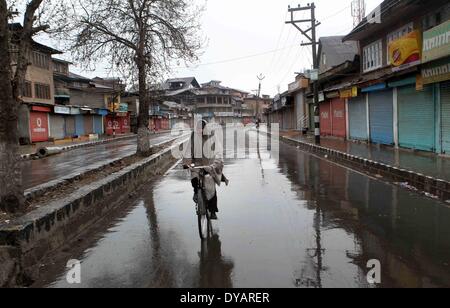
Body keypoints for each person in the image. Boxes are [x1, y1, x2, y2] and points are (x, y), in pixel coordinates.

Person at [184, 119, 229, 220]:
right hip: (197, 164)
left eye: (202, 128)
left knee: (211, 188)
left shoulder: (212, 136)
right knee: (194, 177)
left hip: (209, 164)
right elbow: (188, 150)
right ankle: (196, 192)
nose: (200, 130)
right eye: (198, 128)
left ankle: (213, 211)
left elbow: (218, 149)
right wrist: (187, 162)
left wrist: (217, 161)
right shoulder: (193, 136)